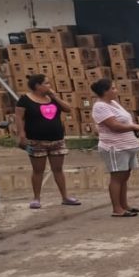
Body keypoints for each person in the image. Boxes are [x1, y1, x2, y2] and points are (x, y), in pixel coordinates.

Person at [14, 74, 80, 209]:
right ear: (38, 85)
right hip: (36, 141)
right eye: (47, 83)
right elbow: (19, 118)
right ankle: (36, 198)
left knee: (58, 169)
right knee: (38, 170)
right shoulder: (25, 100)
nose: (50, 86)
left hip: (56, 139)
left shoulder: (51, 98)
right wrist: (22, 135)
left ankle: (65, 197)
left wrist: (55, 96)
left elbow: (67, 109)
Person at [90, 78, 139, 217]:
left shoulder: (113, 103)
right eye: (113, 88)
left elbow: (124, 119)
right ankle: (117, 208)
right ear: (104, 91)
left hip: (127, 146)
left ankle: (124, 204)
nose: (116, 90)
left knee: (124, 176)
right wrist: (133, 126)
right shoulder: (100, 106)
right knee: (117, 177)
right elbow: (114, 126)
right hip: (114, 147)